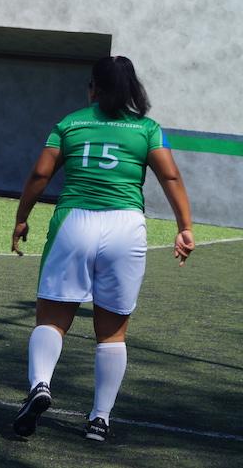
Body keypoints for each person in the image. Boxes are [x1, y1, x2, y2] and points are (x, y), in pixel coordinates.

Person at [10, 56, 195, 442]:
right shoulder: (147, 129)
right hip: (125, 227)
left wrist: (21, 217)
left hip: (74, 224)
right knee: (112, 333)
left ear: (93, 87)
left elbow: (41, 174)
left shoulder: (70, 123)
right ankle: (99, 419)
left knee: (51, 318)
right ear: (133, 89)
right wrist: (185, 228)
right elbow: (171, 176)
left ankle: (40, 385)